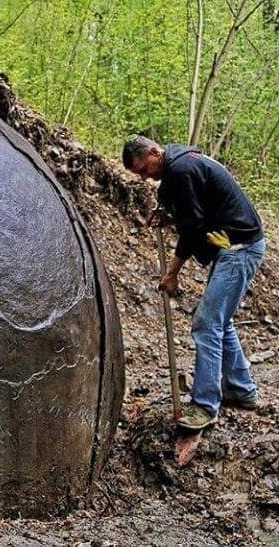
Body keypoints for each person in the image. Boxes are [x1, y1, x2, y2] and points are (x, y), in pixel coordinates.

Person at [122, 136, 265, 431]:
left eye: (143, 169)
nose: (144, 178)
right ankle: (241, 390)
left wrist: (172, 272)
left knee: (206, 322)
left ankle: (205, 406)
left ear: (153, 152)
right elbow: (193, 214)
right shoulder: (182, 165)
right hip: (233, 244)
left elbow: (192, 227)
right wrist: (171, 214)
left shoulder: (182, 170)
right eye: (138, 174)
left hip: (239, 248)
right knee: (219, 321)